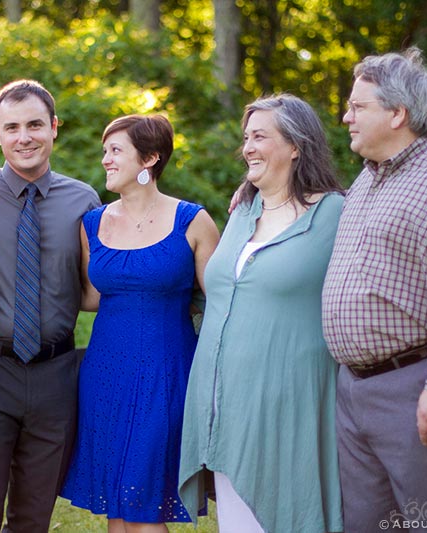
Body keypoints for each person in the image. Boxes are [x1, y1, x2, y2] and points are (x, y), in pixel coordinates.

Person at [321, 47, 427, 533]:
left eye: (359, 107)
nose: (346, 116)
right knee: (368, 525)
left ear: (397, 113)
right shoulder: (364, 183)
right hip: (353, 388)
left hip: (417, 386)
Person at [178, 94, 345, 533]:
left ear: (296, 145)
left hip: (291, 406)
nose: (248, 147)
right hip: (224, 403)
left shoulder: (336, 214)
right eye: (246, 137)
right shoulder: (241, 212)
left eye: (260, 137)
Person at [0, 79, 101, 533]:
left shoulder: (84, 200)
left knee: (34, 517)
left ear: (54, 128)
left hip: (56, 374)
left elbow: (96, 285)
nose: (24, 137)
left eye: (34, 124)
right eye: (11, 127)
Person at [59, 114, 220, 532]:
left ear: (149, 159)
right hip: (105, 375)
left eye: (116, 151)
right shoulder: (92, 223)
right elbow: (92, 297)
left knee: (144, 506)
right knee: (120, 507)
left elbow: (221, 302)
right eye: (105, 150)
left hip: (166, 375)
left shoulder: (193, 221)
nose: (106, 160)